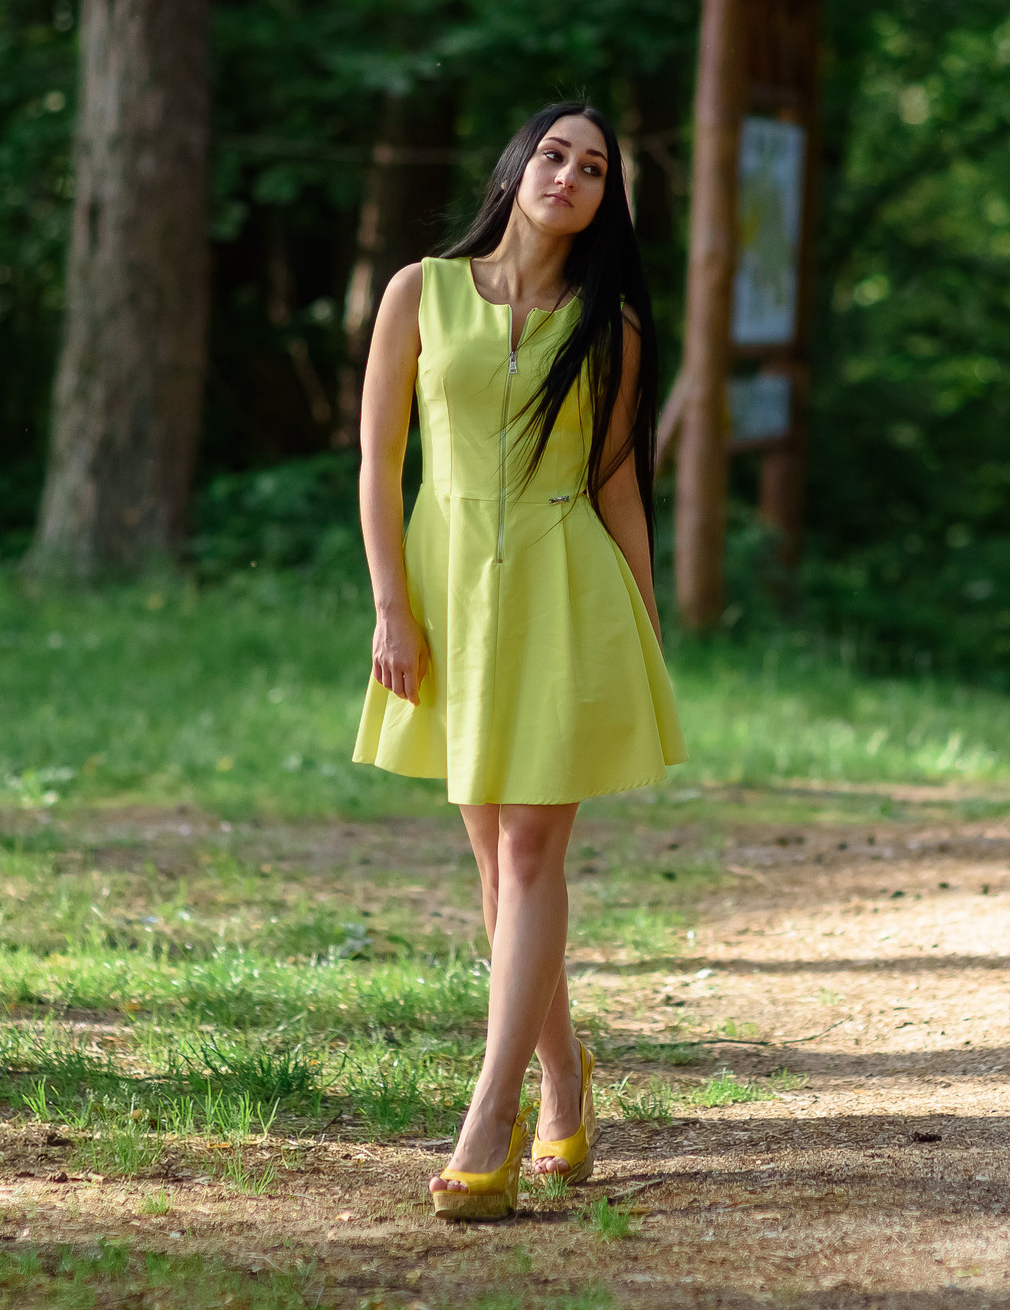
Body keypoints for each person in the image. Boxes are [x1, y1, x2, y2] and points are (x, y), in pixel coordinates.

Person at [351, 101, 684, 1221]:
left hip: (561, 586)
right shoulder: (421, 291)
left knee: (533, 849)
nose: (571, 174)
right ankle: (561, 1072)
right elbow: (377, 458)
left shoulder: (613, 326)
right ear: (517, 167)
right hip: (448, 592)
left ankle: (487, 1116)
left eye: (594, 168)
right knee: (493, 865)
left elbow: (616, 484)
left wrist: (644, 622)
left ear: (604, 201)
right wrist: (392, 608)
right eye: (555, 153)